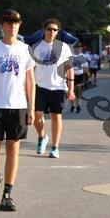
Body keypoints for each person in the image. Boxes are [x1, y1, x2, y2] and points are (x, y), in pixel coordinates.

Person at [0, 9, 35, 212]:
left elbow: (30, 81)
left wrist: (31, 107)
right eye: (8, 22)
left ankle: (7, 195)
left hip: (17, 107)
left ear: (19, 25)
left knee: (13, 149)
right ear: (2, 25)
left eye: (15, 22)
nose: (12, 26)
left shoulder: (26, 50)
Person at [33, 18, 74, 158]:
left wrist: (71, 89)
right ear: (44, 30)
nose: (52, 32)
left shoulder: (63, 47)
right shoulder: (36, 47)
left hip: (58, 87)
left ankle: (55, 147)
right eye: (49, 29)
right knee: (37, 116)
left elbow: (69, 69)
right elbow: (30, 69)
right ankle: (42, 137)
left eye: (54, 30)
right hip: (40, 86)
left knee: (56, 117)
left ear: (57, 32)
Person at [70, 41, 89, 113]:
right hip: (71, 76)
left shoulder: (83, 56)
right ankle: (73, 105)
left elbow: (86, 67)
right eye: (77, 48)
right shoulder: (70, 56)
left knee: (78, 91)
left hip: (80, 75)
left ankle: (78, 106)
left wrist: (87, 77)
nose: (79, 49)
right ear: (74, 48)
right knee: (71, 92)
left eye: (80, 48)